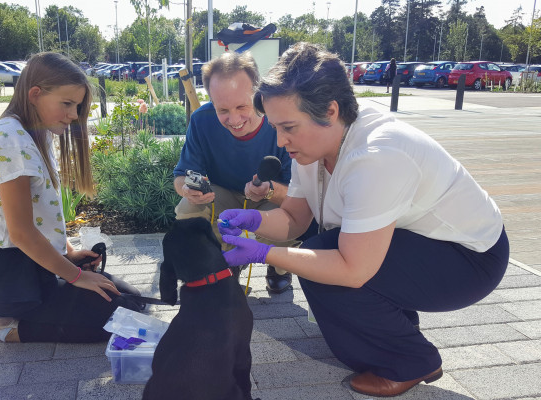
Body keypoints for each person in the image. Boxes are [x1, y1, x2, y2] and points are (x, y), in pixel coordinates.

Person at [217, 43, 508, 397]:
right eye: (276, 128)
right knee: (319, 255)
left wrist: (264, 255)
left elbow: (353, 268)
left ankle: (411, 361)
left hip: (469, 258)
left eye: (289, 126)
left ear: (330, 109)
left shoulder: (378, 154)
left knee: (328, 264)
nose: (281, 140)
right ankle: (395, 334)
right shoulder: (315, 145)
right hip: (418, 242)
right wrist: (254, 221)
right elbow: (294, 218)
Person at [0, 52, 146, 344]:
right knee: (115, 320)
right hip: (11, 277)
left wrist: (69, 253)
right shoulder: (10, 140)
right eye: (67, 104)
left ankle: (9, 311)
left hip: (35, 267)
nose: (73, 114)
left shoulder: (36, 133)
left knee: (131, 302)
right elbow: (21, 233)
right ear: (35, 94)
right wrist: (76, 276)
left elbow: (42, 214)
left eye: (78, 106)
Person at [173, 51, 301, 293]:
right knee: (187, 209)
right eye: (222, 110)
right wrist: (188, 190)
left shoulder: (281, 120)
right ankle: (228, 261)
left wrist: (269, 190)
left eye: (242, 106)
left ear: (258, 94)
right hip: (222, 196)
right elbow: (181, 176)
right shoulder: (201, 120)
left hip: (269, 201)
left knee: (291, 214)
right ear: (210, 99)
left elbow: (299, 196)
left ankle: (280, 264)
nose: (234, 119)